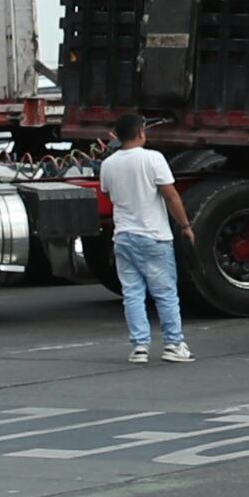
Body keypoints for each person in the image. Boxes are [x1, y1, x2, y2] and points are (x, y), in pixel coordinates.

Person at [94, 112, 196, 365]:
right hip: (153, 236)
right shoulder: (153, 159)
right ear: (140, 133)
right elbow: (170, 196)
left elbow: (106, 191)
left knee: (132, 293)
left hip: (124, 237)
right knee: (165, 293)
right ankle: (173, 344)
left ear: (116, 136)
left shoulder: (108, 164)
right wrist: (185, 225)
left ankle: (139, 347)